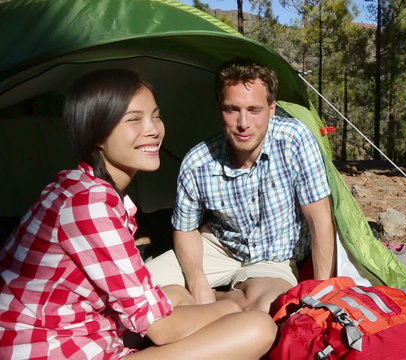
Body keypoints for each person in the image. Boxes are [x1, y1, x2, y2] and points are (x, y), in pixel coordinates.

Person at [0, 69, 276, 360]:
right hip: (53, 350)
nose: (154, 129)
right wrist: (234, 305)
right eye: (134, 120)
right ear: (97, 132)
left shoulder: (77, 184)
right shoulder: (89, 203)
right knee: (257, 327)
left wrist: (218, 305)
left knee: (177, 294)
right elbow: (162, 330)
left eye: (155, 116)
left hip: (81, 328)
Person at [146, 59, 335, 312]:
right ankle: (203, 302)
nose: (243, 123)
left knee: (267, 306)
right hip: (219, 247)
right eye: (232, 109)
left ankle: (199, 305)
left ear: (272, 109)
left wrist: (321, 295)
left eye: (254, 110)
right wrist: (197, 281)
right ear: (219, 109)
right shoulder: (198, 161)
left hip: (274, 256)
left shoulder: (294, 140)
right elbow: (185, 228)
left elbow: (320, 219)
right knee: (138, 291)